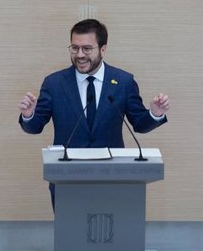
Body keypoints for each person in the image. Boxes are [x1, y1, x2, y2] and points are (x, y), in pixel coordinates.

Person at [18, 19, 169, 206]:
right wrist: (28, 115)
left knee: (113, 232)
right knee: (71, 234)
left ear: (103, 49)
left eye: (87, 49)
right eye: (74, 48)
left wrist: (154, 114)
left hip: (114, 178)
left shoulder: (123, 81)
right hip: (67, 179)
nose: (80, 55)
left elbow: (139, 124)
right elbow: (35, 127)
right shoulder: (54, 83)